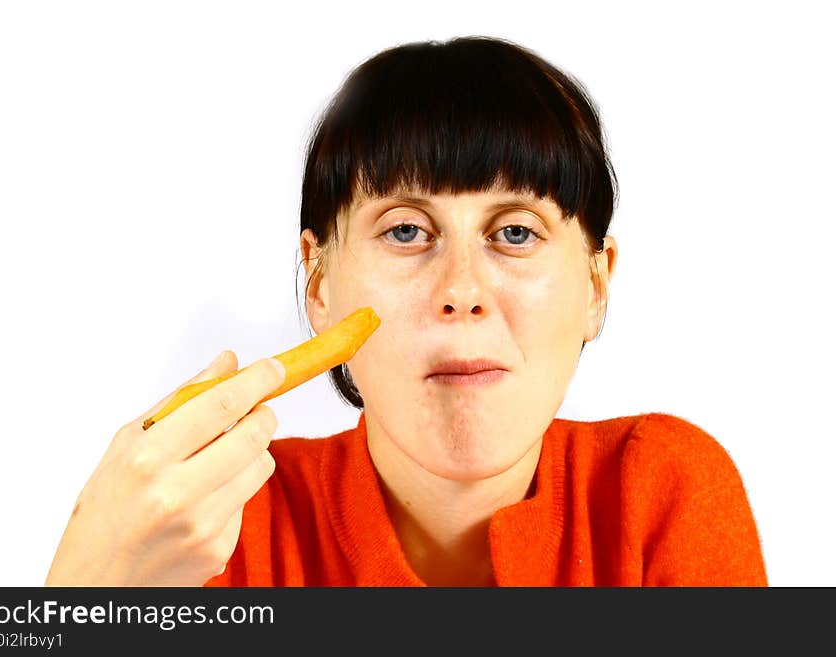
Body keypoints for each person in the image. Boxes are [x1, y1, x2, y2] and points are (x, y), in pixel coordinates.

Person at [45, 36, 768, 587]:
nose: (462, 289)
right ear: (320, 282)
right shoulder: (212, 528)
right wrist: (85, 589)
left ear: (597, 282)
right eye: (405, 231)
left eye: (515, 232)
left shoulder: (662, 491)